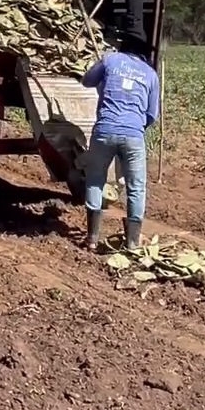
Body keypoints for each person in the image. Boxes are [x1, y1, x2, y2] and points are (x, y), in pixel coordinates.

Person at [80, 34, 160, 250]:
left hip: (104, 131)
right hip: (133, 135)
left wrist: (102, 82)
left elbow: (86, 80)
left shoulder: (109, 60)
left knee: (95, 180)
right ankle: (132, 242)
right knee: (136, 187)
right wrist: (134, 127)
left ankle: (92, 239)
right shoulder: (151, 74)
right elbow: (152, 114)